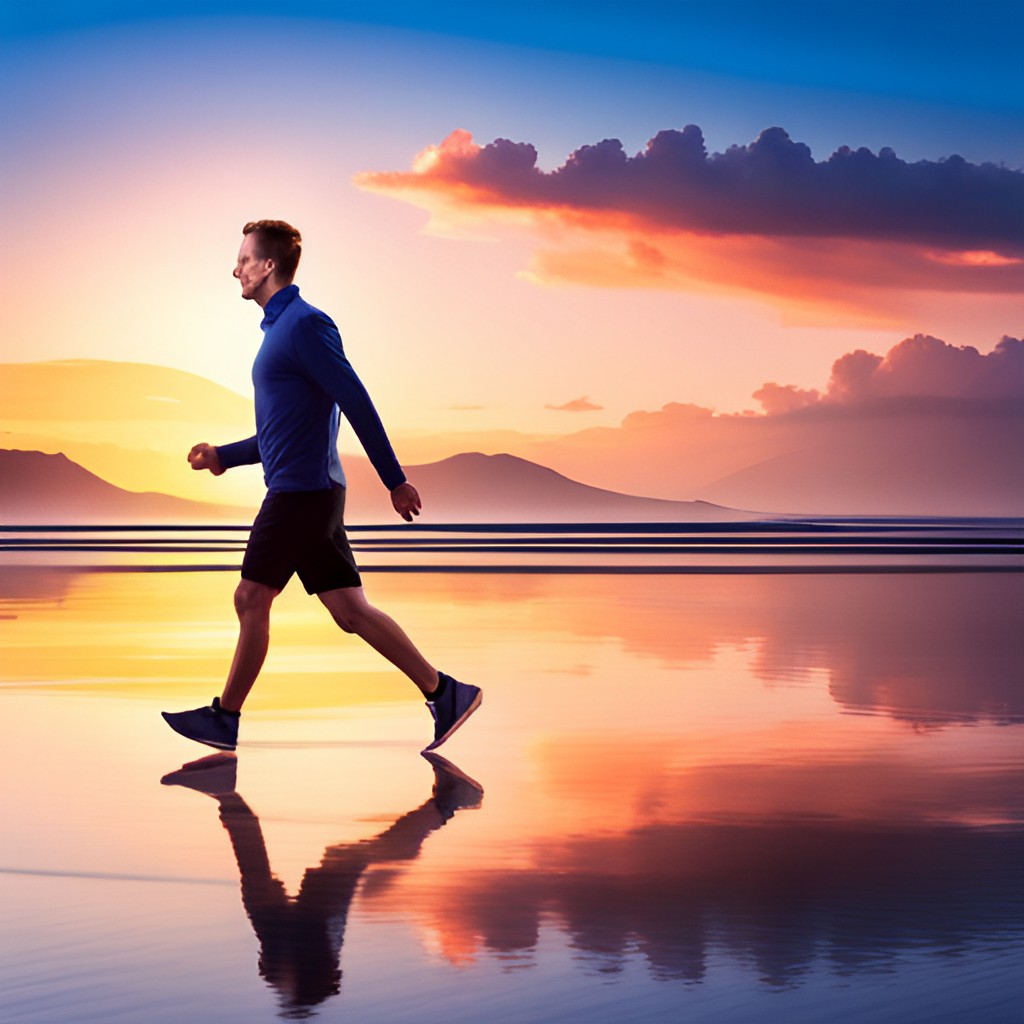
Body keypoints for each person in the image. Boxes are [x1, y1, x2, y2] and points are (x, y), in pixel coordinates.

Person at [162, 220, 480, 753]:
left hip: (299, 496)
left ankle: (225, 718)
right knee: (350, 612)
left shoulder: (306, 326)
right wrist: (224, 457)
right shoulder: (278, 332)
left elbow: (356, 400)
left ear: (268, 266)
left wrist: (395, 479)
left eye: (243, 258)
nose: (235, 268)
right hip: (310, 492)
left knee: (250, 597)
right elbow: (280, 432)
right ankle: (446, 692)